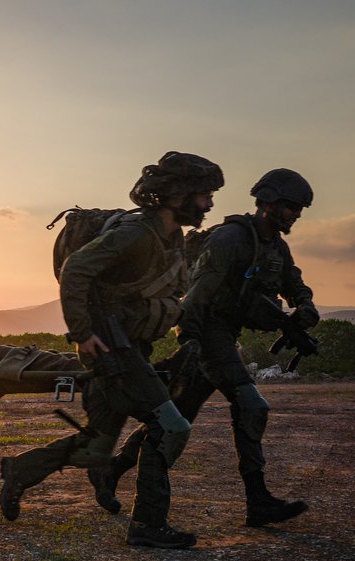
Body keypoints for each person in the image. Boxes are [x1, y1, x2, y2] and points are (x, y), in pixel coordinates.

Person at [0, 151, 225, 548]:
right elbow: (77, 269)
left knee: (96, 450)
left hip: (131, 348)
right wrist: (82, 332)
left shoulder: (171, 239)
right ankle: (148, 526)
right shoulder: (136, 234)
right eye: (204, 194)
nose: (209, 203)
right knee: (171, 426)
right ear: (176, 194)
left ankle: (20, 470)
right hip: (111, 351)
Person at [92, 169, 318, 528]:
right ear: (268, 202)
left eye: (300, 209)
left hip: (224, 335)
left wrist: (304, 306)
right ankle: (257, 501)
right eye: (291, 206)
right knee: (251, 405)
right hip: (207, 333)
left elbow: (294, 281)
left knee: (176, 418)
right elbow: (196, 296)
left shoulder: (275, 246)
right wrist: (192, 341)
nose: (296, 214)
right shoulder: (230, 239)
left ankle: (111, 470)